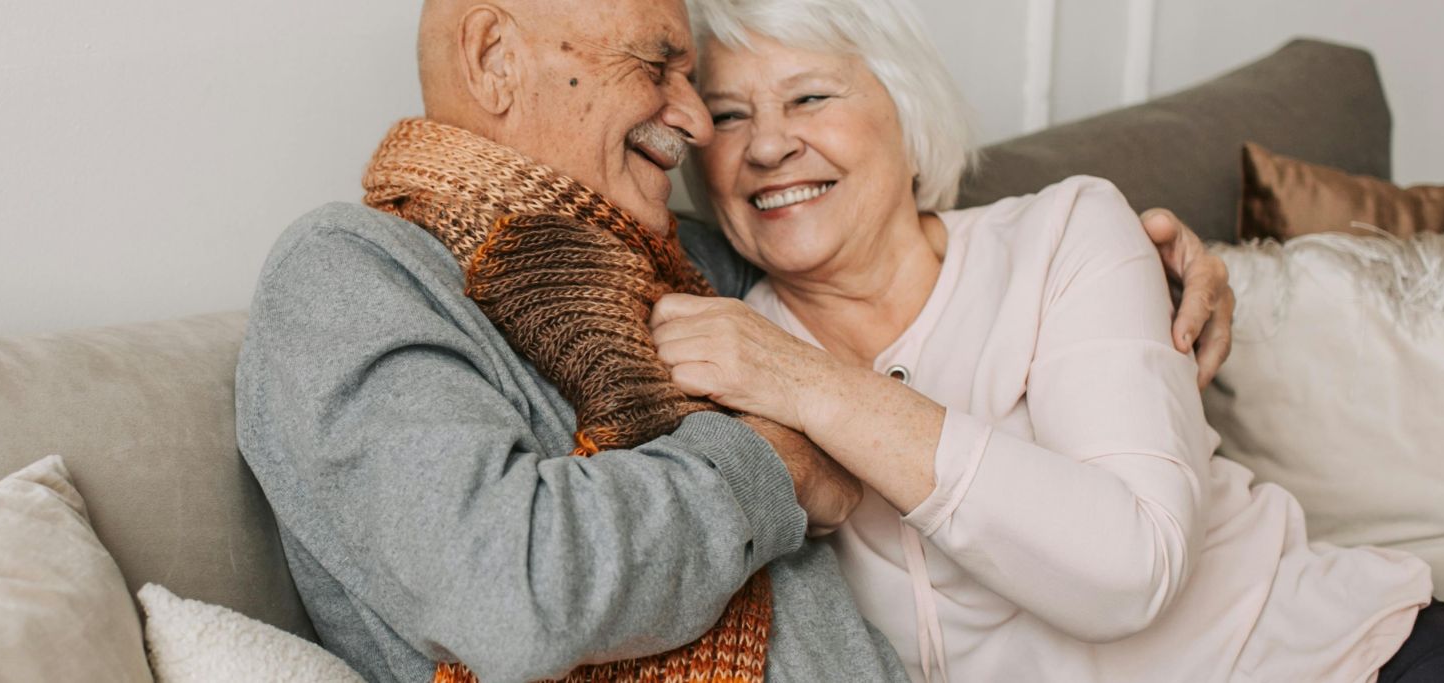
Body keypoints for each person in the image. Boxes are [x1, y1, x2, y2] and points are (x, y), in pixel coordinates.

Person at [234, 0, 1233, 680]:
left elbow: (881, 234)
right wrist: (774, 465)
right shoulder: (354, 274)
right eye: (661, 68)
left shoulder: (687, 260)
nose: (696, 124)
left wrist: (1174, 265)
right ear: (496, 58)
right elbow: (506, 585)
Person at [649, 0, 1444, 681]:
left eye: (809, 96)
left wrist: (816, 388)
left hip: (1337, 660)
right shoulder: (719, 332)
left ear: (905, 111)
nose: (766, 145)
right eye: (727, 117)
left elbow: (1131, 567)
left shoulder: (1066, 232)